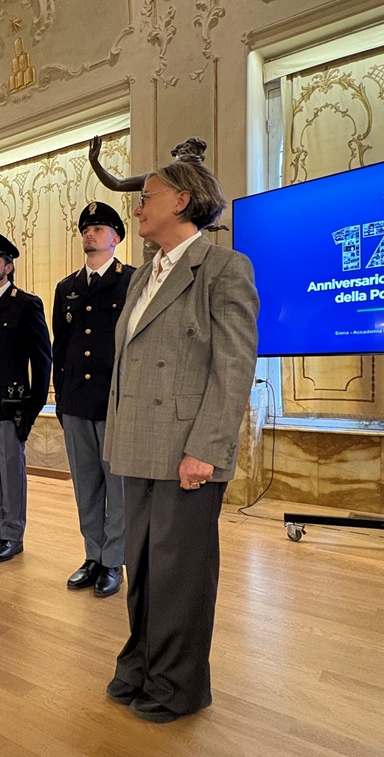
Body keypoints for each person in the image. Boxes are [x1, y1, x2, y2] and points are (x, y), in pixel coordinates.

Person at [100, 138, 259, 723]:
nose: (138, 206)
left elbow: (233, 367)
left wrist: (207, 450)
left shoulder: (223, 268)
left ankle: (177, 685)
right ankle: (141, 665)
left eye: (148, 196)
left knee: (179, 573)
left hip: (187, 451)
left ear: (183, 200)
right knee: (140, 565)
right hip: (138, 445)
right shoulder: (143, 276)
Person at [53, 201, 135, 597]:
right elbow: (61, 347)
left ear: (116, 238)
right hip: (76, 401)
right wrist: (61, 399)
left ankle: (113, 560)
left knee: (116, 488)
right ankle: (92, 554)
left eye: (99, 228)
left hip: (114, 402)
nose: (90, 233)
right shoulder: (66, 288)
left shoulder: (131, 281)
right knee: (86, 485)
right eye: (86, 228)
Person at [0, 231, 52, 564]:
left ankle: (12, 535)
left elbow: (42, 360)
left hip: (10, 405)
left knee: (10, 472)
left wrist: (32, 407)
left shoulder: (26, 304)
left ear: (9, 266)